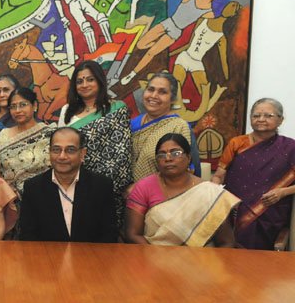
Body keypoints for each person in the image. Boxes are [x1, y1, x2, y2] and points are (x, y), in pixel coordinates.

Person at [120, 0, 224, 85]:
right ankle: (153, 45)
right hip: (169, 23)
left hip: (176, 32)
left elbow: (219, 18)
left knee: (152, 53)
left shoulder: (208, 11)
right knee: (141, 44)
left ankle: (132, 74)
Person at [126, 133, 238, 247]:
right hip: (155, 258)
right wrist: (160, 257)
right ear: (157, 161)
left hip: (201, 260)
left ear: (188, 157)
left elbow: (226, 242)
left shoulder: (209, 192)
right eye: (162, 155)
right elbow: (133, 234)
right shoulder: (144, 187)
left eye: (176, 153)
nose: (168, 158)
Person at [212, 98, 295, 250]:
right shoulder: (237, 143)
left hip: (270, 211)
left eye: (268, 115)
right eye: (256, 116)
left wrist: (283, 192)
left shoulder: (290, 148)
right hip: (234, 210)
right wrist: (211, 193)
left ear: (281, 120)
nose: (261, 119)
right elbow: (219, 175)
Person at [59, 61, 132, 227]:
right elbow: (61, 145)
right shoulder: (67, 111)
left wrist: (106, 184)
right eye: (79, 81)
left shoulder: (116, 109)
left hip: (107, 185)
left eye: (90, 79)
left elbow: (123, 151)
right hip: (72, 182)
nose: (84, 85)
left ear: (100, 81)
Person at [19, 127, 118, 243]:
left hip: (91, 257)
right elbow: (28, 237)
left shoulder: (101, 186)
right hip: (46, 257)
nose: (62, 156)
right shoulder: (33, 188)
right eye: (56, 150)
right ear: (49, 152)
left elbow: (109, 235)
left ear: (82, 153)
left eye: (70, 150)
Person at [130, 72, 196, 182]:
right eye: (151, 89)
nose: (154, 96)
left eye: (162, 92)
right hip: (125, 195)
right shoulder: (132, 124)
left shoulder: (179, 127)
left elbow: (186, 171)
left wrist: (140, 188)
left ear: (173, 99)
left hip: (162, 194)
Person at [0, 87, 54, 199]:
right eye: (13, 106)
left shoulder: (49, 133)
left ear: (34, 105)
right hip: (13, 201)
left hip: (47, 196)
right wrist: (6, 190)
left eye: (23, 105)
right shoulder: (4, 135)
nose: (17, 110)